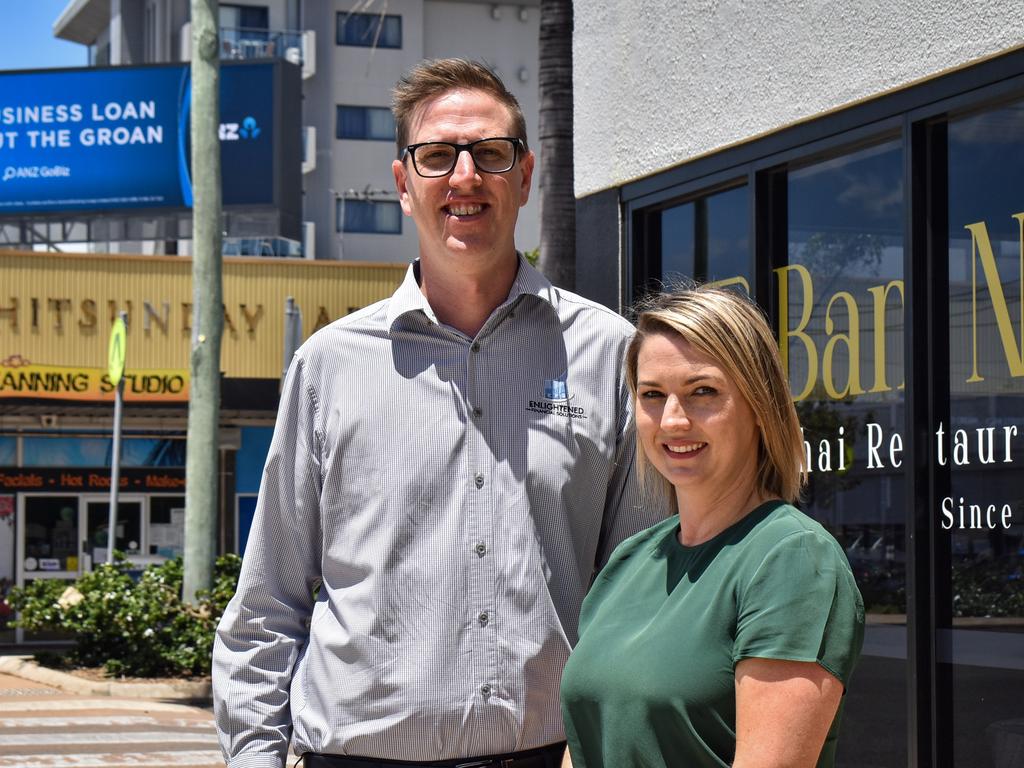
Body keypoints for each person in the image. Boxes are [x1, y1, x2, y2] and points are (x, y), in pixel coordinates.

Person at [213, 58, 663, 768]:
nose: (465, 176)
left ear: (524, 176)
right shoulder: (330, 367)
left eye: (490, 153)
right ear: (402, 183)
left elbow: (640, 591)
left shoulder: (608, 355)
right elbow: (268, 604)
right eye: (436, 156)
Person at [560, 286, 865, 768]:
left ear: (759, 405)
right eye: (652, 395)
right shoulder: (631, 560)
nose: (673, 420)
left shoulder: (792, 559)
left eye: (703, 392)